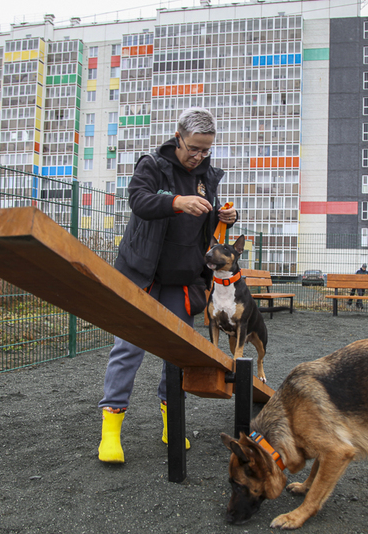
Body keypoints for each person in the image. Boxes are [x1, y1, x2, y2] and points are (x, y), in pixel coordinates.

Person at [97, 107, 238, 464]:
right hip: (143, 274)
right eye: (194, 148)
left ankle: (170, 420)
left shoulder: (208, 176)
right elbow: (139, 202)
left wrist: (223, 218)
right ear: (178, 138)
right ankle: (110, 432)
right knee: (129, 348)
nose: (199, 156)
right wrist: (176, 201)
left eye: (206, 150)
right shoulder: (153, 166)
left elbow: (205, 226)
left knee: (176, 354)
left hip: (182, 279)